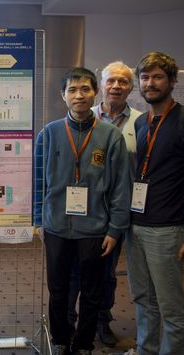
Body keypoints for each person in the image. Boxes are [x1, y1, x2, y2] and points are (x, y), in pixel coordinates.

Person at [34, 67, 131, 355]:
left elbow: (120, 188)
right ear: (63, 95)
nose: (79, 95)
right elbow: (37, 181)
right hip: (56, 227)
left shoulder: (111, 136)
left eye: (85, 89)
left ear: (95, 93)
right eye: (72, 90)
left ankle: (85, 342)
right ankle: (62, 339)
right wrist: (39, 220)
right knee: (59, 290)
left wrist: (115, 229)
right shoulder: (49, 133)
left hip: (95, 228)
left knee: (92, 291)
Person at [125, 52, 184, 355]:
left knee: (171, 309)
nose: (150, 83)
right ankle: (145, 350)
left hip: (167, 231)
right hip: (135, 226)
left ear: (172, 81)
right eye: (145, 77)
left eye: (158, 77)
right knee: (143, 300)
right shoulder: (142, 123)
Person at [67, 61, 142, 347]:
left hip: (116, 213)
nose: (116, 87)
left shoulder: (141, 122)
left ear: (130, 87)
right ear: (101, 86)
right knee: (74, 270)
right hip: (82, 210)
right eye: (111, 81)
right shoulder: (83, 116)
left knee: (107, 273)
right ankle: (71, 323)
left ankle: (102, 320)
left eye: (123, 82)